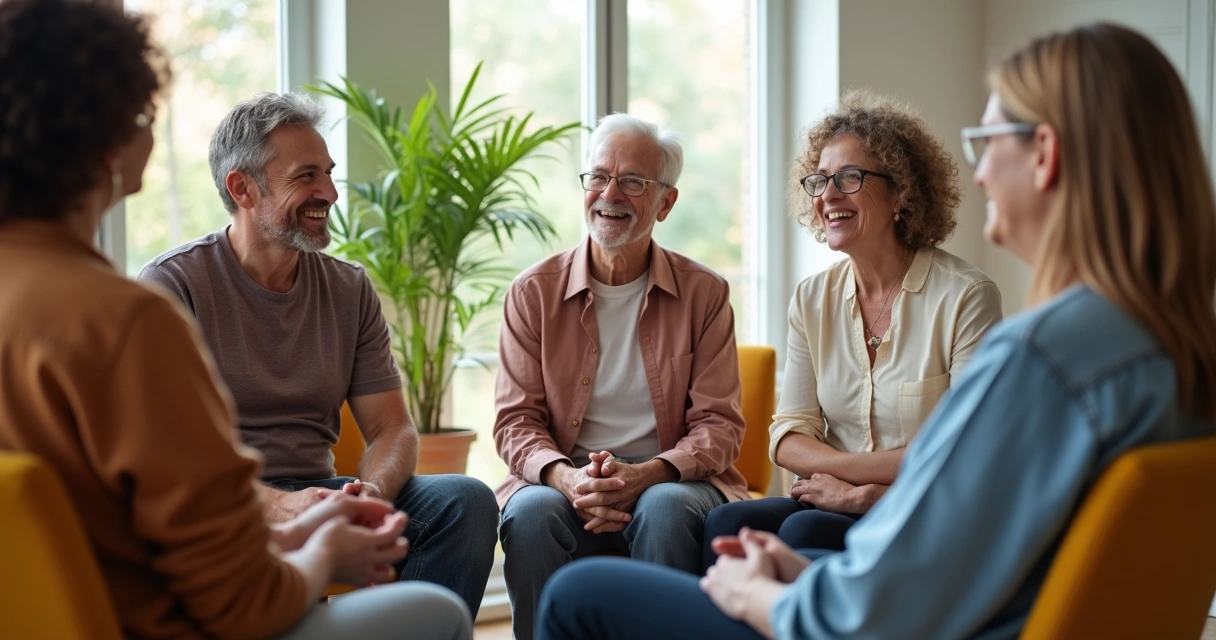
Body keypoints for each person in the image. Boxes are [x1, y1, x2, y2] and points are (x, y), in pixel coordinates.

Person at [534, 22, 1216, 640]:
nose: (977, 173)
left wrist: (761, 595)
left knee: (580, 592)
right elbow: (964, 558)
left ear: (1044, 155)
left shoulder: (1041, 362)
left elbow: (872, 614)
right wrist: (808, 573)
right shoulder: (1172, 348)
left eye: (985, 142)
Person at [0, 1, 472, 638]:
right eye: (144, 115)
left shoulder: (29, 301)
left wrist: (334, 510)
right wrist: (322, 552)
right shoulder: (131, 317)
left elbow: (137, 518)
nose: (330, 193)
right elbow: (242, 601)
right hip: (186, 621)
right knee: (437, 615)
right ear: (111, 143)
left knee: (458, 501)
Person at [137, 92, 497, 617]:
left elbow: (392, 428)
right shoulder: (174, 285)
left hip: (323, 491)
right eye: (306, 176)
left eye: (328, 173)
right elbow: (164, 460)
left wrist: (370, 493)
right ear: (243, 188)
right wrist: (284, 505)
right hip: (227, 504)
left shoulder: (349, 288)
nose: (328, 192)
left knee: (464, 502)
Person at [700, 93, 1003, 571]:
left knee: (805, 528)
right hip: (829, 499)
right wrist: (840, 484)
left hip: (924, 512)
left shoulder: (966, 296)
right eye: (820, 181)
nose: (827, 196)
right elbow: (787, 437)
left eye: (850, 178)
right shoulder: (811, 298)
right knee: (727, 522)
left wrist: (857, 490)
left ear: (901, 192)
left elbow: (963, 447)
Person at [494, 113, 749, 640]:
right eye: (598, 177)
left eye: (633, 182)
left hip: (671, 477)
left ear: (666, 202)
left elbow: (719, 425)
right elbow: (515, 421)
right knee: (533, 511)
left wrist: (646, 474)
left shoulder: (705, 294)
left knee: (665, 506)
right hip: (566, 474)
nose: (610, 193)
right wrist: (568, 478)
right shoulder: (532, 292)